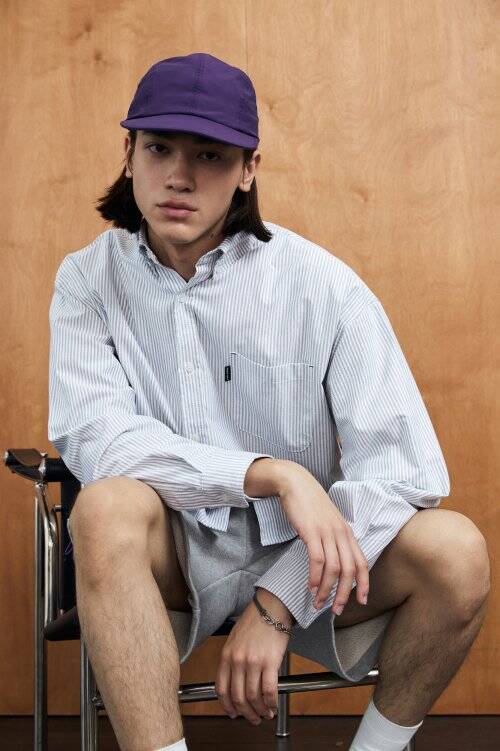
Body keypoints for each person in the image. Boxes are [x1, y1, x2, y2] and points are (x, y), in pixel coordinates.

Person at [48, 53, 490, 751]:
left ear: (249, 168)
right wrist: (271, 473)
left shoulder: (323, 284)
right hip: (173, 552)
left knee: (458, 550)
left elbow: (405, 473)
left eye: (210, 155)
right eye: (159, 148)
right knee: (102, 506)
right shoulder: (86, 280)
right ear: (128, 153)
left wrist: (278, 600)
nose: (179, 176)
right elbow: (98, 441)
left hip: (308, 559)